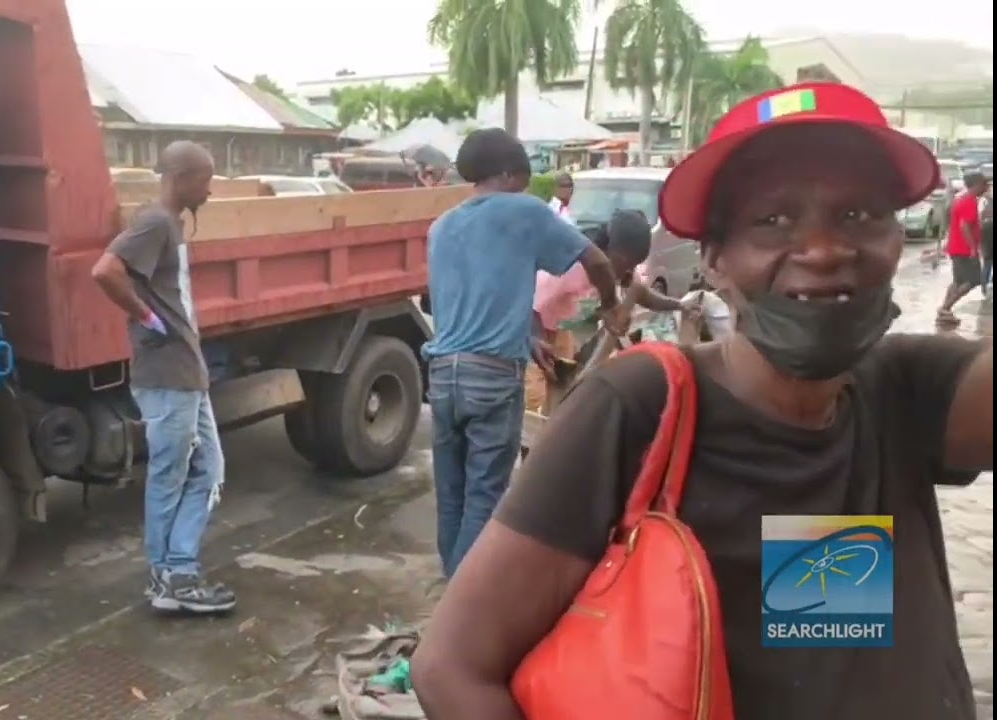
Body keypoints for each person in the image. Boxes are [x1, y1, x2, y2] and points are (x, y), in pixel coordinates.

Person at [411, 83, 993, 719]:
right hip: (495, 369)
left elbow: (821, 629)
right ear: (714, 260)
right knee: (481, 495)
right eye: (773, 221)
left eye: (858, 216)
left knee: (462, 493)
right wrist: (604, 311)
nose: (825, 251)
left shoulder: (902, 392)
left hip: (447, 365)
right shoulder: (641, 407)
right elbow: (452, 668)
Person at [422, 127, 628, 579]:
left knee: (452, 494)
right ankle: (462, 604)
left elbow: (464, 302)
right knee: (485, 496)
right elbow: (595, 260)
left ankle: (451, 588)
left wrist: (524, 336)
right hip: (491, 378)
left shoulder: (442, 226)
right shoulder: (525, 212)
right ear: (512, 174)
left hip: (442, 375)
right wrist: (613, 307)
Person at [91, 141, 236, 614]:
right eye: (205, 179)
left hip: (185, 371)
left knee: (209, 470)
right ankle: (170, 579)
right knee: (169, 476)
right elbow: (106, 271)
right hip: (167, 374)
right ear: (180, 177)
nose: (210, 190)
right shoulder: (154, 222)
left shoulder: (169, 224)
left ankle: (178, 569)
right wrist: (149, 320)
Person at [525, 209, 700, 412]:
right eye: (625, 263)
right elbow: (530, 305)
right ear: (606, 250)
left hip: (561, 329)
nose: (627, 271)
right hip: (531, 328)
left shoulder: (622, 270)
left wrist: (678, 305)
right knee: (533, 394)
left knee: (564, 392)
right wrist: (537, 342)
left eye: (634, 265)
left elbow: (641, 294)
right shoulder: (571, 269)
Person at [938, 172, 989, 326]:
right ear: (977, 184)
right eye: (984, 184)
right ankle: (945, 307)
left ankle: (945, 311)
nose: (986, 187)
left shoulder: (961, 199)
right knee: (972, 280)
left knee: (958, 281)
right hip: (963, 249)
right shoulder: (969, 201)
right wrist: (973, 248)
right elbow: (964, 226)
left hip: (955, 246)